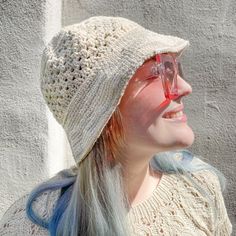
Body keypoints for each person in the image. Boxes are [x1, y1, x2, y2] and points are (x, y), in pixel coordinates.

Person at [0, 16, 232, 236]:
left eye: (175, 68)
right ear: (104, 112)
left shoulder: (199, 190)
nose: (184, 87)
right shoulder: (28, 225)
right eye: (159, 71)